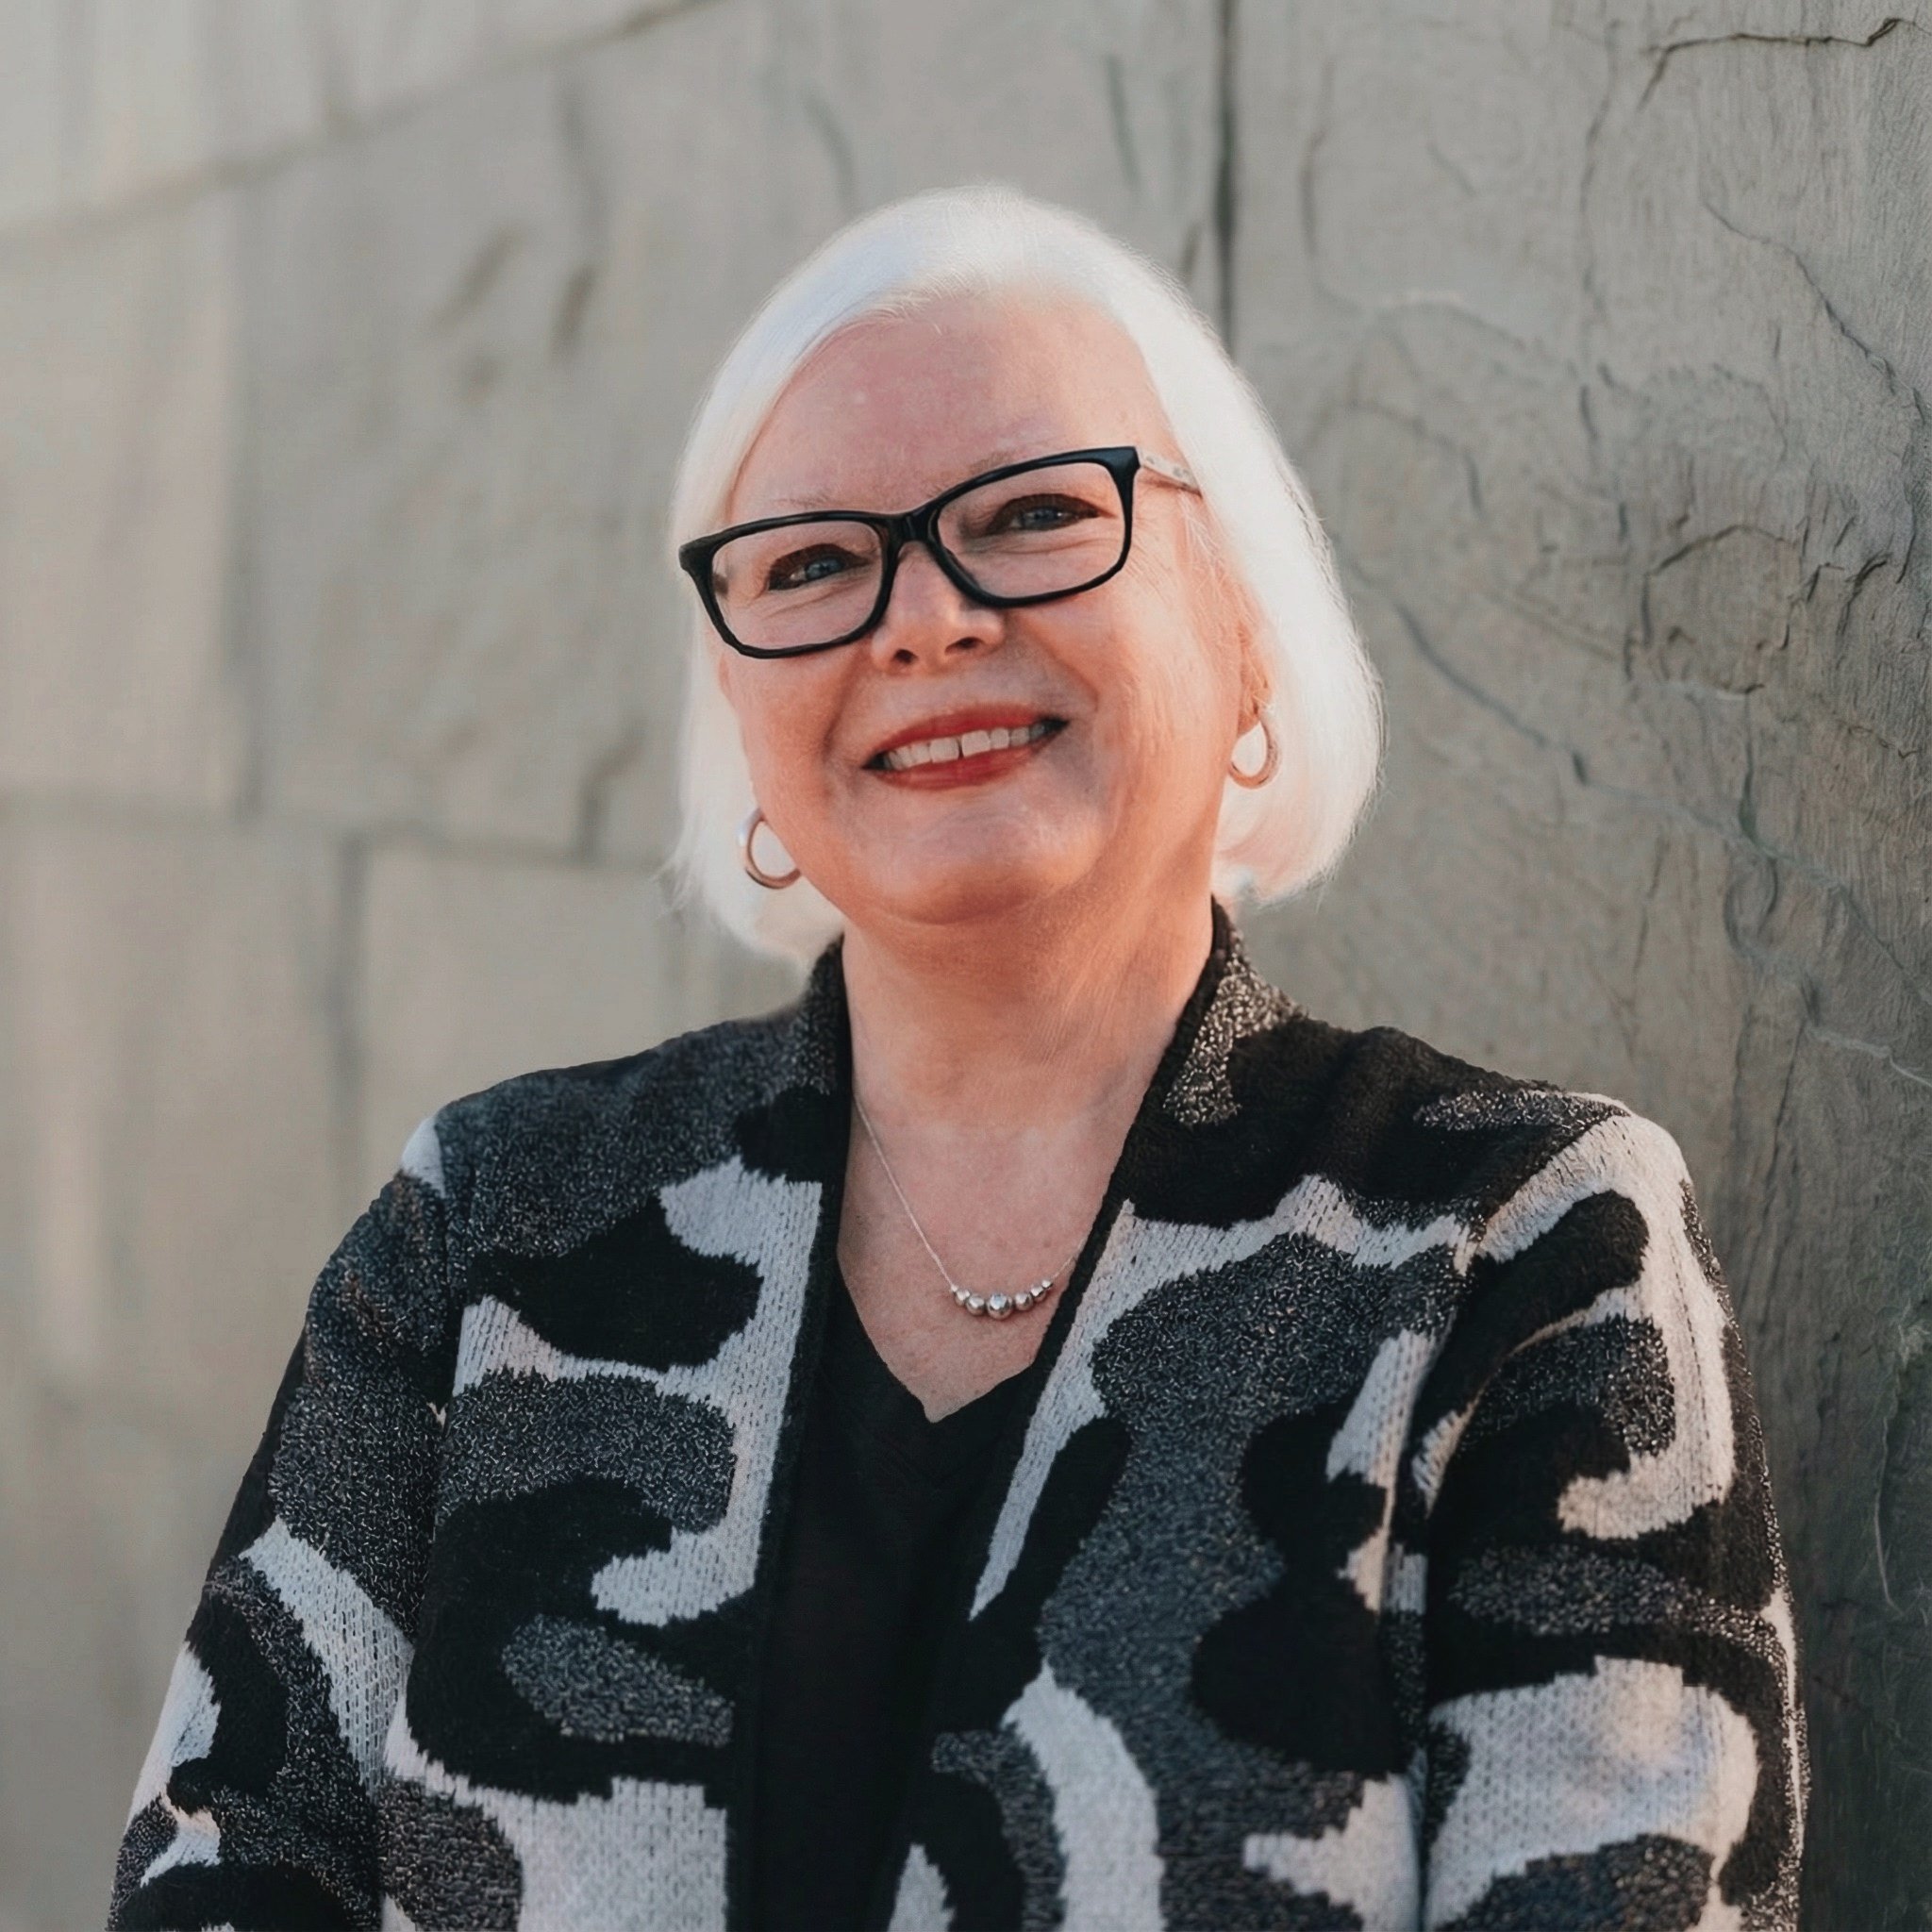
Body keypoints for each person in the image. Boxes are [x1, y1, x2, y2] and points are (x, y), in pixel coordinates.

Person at [110, 184, 1804, 1931]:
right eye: (815, 562)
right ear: (744, 723)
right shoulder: (491, 1231)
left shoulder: (1525, 1250)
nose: (921, 619)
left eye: (1036, 514)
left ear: (1243, 637)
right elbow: (228, 1871)